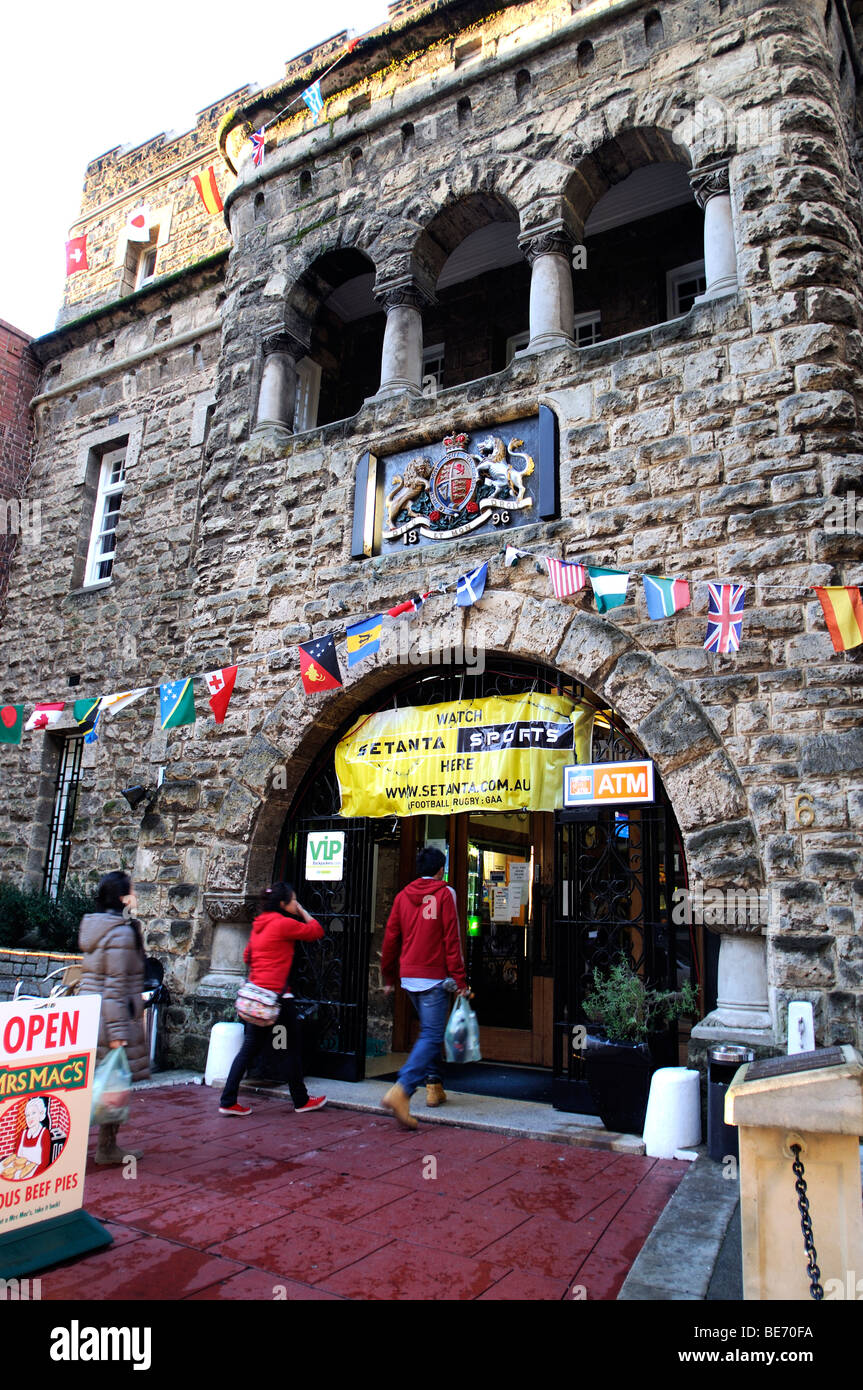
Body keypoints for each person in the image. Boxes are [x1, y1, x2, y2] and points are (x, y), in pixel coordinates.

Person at [219, 882, 327, 1116]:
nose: (295, 903)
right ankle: (300, 1099)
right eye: (293, 900)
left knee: (248, 1050)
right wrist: (302, 912)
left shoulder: (259, 925)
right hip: (277, 998)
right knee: (290, 1048)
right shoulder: (284, 924)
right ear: (283, 903)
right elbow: (316, 931)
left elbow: (247, 955)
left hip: (255, 997)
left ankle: (228, 1099)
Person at [380, 846, 469, 1130]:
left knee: (428, 1033)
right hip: (434, 976)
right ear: (441, 868)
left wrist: (390, 977)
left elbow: (391, 939)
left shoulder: (402, 896)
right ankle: (403, 1089)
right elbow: (451, 940)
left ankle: (435, 1087)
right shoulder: (445, 894)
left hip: (409, 976)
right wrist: (461, 980)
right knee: (432, 1034)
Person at [78, 870, 149, 1165]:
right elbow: (115, 987)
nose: (135, 895)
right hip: (111, 1021)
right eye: (131, 890)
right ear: (122, 897)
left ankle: (87, 1144)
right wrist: (119, 1033)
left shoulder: (97, 927)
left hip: (92, 1016)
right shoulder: (119, 933)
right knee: (113, 1083)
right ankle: (106, 1147)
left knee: (95, 1083)